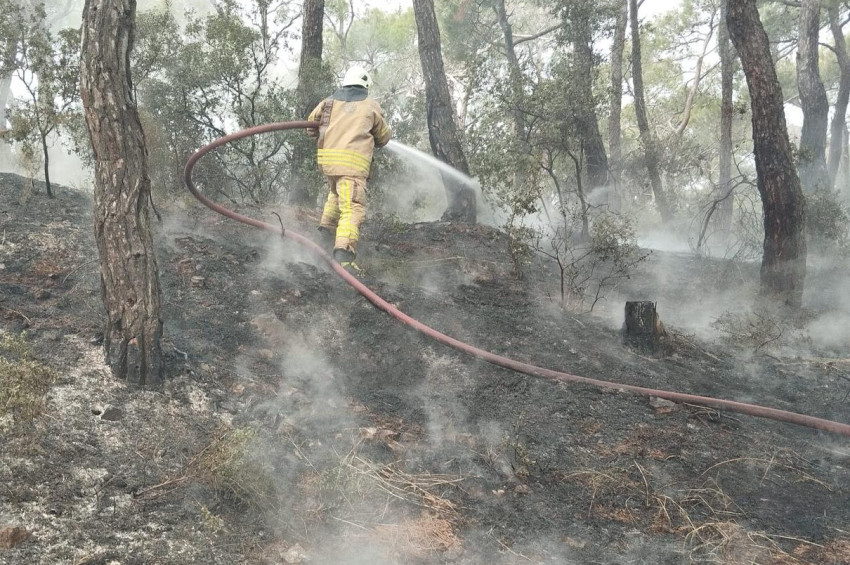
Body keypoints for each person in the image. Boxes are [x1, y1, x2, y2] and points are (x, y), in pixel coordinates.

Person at [306, 65, 391, 275]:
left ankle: (325, 232)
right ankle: (344, 254)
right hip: (352, 166)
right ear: (365, 85)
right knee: (352, 208)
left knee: (336, 196)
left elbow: (310, 127)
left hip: (330, 163)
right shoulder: (370, 106)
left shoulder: (327, 102)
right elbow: (383, 137)